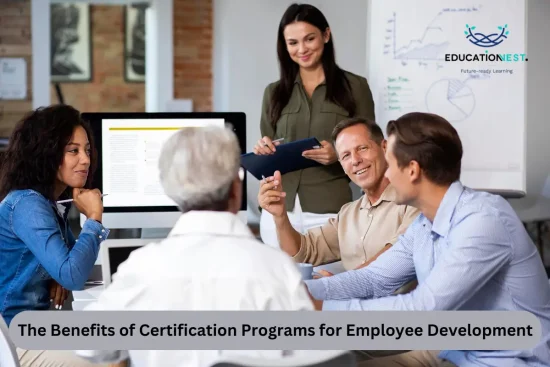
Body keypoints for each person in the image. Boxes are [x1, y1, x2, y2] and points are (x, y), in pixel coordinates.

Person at [305, 112, 550, 367]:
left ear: (412, 170)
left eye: (390, 164)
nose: (385, 175)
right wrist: (300, 292)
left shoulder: (483, 221)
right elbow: (373, 278)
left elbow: (422, 310)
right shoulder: (424, 224)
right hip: (453, 353)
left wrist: (323, 310)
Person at [76, 126, 315, 367]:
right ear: (236, 187)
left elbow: (89, 346)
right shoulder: (276, 268)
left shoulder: (141, 268)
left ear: (172, 191)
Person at [255, 3, 376, 247]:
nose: (302, 49)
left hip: (330, 211)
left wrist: (338, 155)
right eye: (293, 43)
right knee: (282, 285)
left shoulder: (356, 87)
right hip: (278, 210)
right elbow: (268, 148)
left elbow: (371, 148)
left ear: (326, 35)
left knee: (328, 285)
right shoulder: (274, 92)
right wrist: (263, 150)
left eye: (309, 39)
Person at [0, 105, 110, 367]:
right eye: (73, 150)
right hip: (12, 337)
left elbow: (70, 266)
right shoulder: (27, 204)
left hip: (35, 327)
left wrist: (57, 272)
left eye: (87, 150)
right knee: (110, 357)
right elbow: (73, 274)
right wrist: (93, 218)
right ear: (46, 154)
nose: (85, 159)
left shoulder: (47, 203)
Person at [258, 117, 420, 276]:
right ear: (342, 165)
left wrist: (336, 285)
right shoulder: (347, 214)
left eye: (362, 148)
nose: (355, 160)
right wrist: (280, 217)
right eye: (346, 156)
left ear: (385, 147)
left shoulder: (413, 202)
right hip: (349, 302)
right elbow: (302, 252)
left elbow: (395, 259)